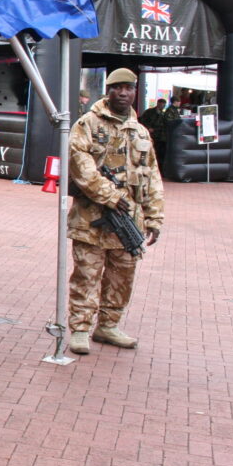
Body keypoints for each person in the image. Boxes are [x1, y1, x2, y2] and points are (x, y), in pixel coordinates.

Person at [66, 67, 164, 356]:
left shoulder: (140, 131)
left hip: (128, 221)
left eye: (128, 88)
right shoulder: (87, 124)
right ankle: (81, 329)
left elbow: (152, 176)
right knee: (87, 275)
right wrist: (110, 196)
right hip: (92, 219)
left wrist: (155, 216)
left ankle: (108, 326)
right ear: (107, 90)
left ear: (135, 92)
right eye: (117, 87)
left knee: (122, 277)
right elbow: (80, 166)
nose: (123, 93)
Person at [140, 98, 172, 165]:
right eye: (161, 104)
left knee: (159, 153)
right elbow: (142, 120)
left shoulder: (164, 114)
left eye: (164, 105)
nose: (162, 106)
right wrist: (148, 128)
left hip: (161, 136)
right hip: (151, 135)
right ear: (158, 104)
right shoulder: (149, 112)